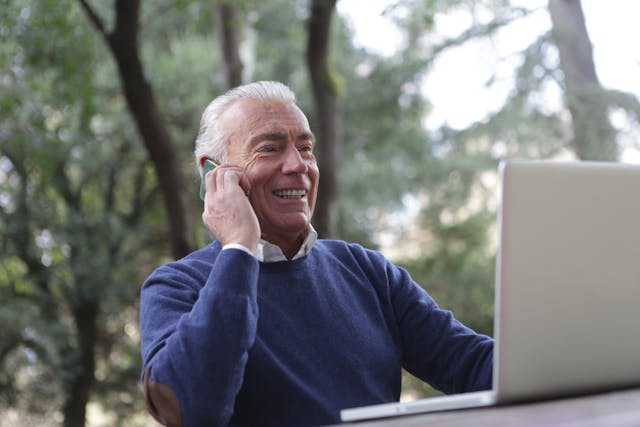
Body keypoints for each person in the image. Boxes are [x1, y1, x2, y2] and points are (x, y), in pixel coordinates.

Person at [139, 81, 493, 427]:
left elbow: (472, 364)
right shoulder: (176, 286)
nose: (298, 165)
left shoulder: (367, 271)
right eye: (269, 148)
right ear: (213, 174)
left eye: (305, 148)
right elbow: (189, 410)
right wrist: (239, 249)